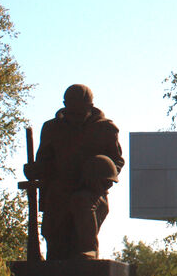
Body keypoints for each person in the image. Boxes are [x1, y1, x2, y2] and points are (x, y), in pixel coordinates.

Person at [24, 84, 124, 260]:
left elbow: (117, 162)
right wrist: (34, 170)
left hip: (92, 193)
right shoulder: (52, 128)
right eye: (71, 111)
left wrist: (102, 178)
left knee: (81, 202)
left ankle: (89, 249)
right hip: (59, 190)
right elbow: (44, 162)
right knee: (55, 235)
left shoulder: (105, 129)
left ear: (90, 107)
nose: (75, 117)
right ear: (65, 105)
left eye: (79, 112)